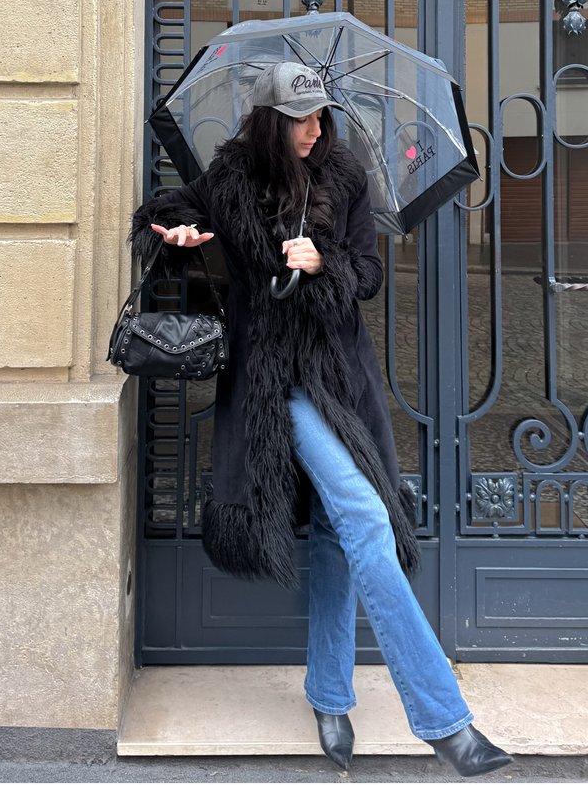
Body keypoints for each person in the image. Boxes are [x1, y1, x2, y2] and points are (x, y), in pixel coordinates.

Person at [130, 61, 511, 777]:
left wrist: (321, 262)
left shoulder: (346, 175)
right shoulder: (233, 181)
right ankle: (445, 723)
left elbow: (366, 274)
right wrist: (176, 234)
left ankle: (330, 697)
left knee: (341, 533)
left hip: (340, 378)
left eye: (320, 116)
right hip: (276, 387)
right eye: (301, 118)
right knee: (368, 519)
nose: (314, 129)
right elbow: (169, 210)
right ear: (271, 120)